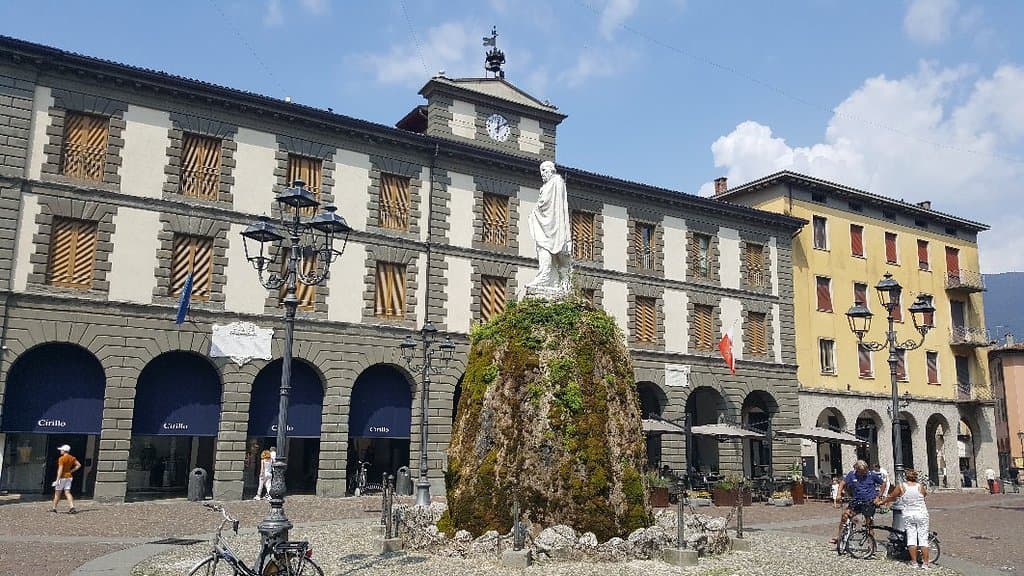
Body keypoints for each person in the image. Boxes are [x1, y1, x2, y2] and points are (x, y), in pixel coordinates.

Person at [525, 161, 571, 296]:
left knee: (545, 247)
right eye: (541, 172)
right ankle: (552, 279)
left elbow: (547, 203)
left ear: (552, 170)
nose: (543, 174)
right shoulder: (548, 186)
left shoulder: (556, 182)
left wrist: (536, 210)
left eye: (545, 170)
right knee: (542, 247)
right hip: (545, 223)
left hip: (553, 225)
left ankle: (546, 278)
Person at [882, 468, 930, 569]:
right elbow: (924, 495)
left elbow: (892, 497)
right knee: (923, 539)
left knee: (911, 538)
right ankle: (925, 563)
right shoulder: (920, 486)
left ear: (905, 477)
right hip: (921, 514)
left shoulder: (901, 487)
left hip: (909, 514)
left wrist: (882, 502)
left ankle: (914, 562)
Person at [831, 460, 885, 546]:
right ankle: (839, 536)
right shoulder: (852, 474)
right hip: (856, 501)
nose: (864, 473)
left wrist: (878, 497)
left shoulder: (871, 475)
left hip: (869, 501)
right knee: (845, 516)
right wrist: (838, 494)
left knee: (869, 523)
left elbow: (883, 484)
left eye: (865, 471)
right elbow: (842, 483)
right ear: (856, 469)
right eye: (861, 472)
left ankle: (871, 544)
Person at [51, 444, 81, 514]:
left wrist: (57, 480)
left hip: (62, 477)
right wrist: (71, 471)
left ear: (64, 451)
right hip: (69, 477)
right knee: (67, 492)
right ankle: (72, 507)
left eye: (61, 450)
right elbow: (79, 465)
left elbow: (60, 470)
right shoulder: (72, 458)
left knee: (57, 493)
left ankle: (54, 508)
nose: (60, 451)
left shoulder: (61, 459)